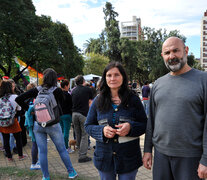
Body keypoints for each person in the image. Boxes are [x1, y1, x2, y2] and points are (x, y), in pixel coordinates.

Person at [143, 37, 207, 180]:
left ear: (186, 50)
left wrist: (206, 159)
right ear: (162, 56)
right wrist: (147, 150)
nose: (171, 56)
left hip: (191, 158)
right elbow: (151, 120)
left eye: (175, 51)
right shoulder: (158, 84)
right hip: (160, 156)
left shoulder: (204, 80)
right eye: (167, 53)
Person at [85, 61, 147, 180]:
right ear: (105, 78)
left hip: (129, 158)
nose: (112, 78)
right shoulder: (98, 100)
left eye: (116, 75)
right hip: (104, 158)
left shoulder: (133, 99)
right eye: (109, 75)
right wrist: (101, 131)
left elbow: (144, 124)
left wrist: (130, 127)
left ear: (123, 77)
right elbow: (88, 125)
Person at [15, 68, 77, 180]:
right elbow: (62, 103)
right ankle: (71, 172)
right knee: (62, 149)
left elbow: (19, 98)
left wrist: (29, 109)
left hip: (38, 125)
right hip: (53, 124)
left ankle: (45, 176)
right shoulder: (57, 91)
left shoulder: (36, 90)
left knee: (42, 152)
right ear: (54, 79)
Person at [0, 80, 27, 161]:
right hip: (13, 121)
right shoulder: (15, 97)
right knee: (18, 138)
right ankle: (20, 155)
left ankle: (9, 157)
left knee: (5, 140)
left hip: (3, 122)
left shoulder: (0, 98)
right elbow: (19, 110)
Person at [71, 75, 93, 163]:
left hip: (74, 114)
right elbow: (90, 102)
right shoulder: (87, 89)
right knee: (85, 134)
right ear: (83, 81)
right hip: (83, 114)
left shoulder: (73, 90)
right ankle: (82, 156)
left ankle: (80, 150)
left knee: (78, 133)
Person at [60, 79, 74, 154]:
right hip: (67, 115)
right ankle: (65, 147)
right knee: (66, 132)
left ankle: (61, 147)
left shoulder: (58, 95)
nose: (69, 87)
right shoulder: (68, 95)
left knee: (61, 132)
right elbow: (71, 105)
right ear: (65, 86)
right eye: (68, 85)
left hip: (59, 115)